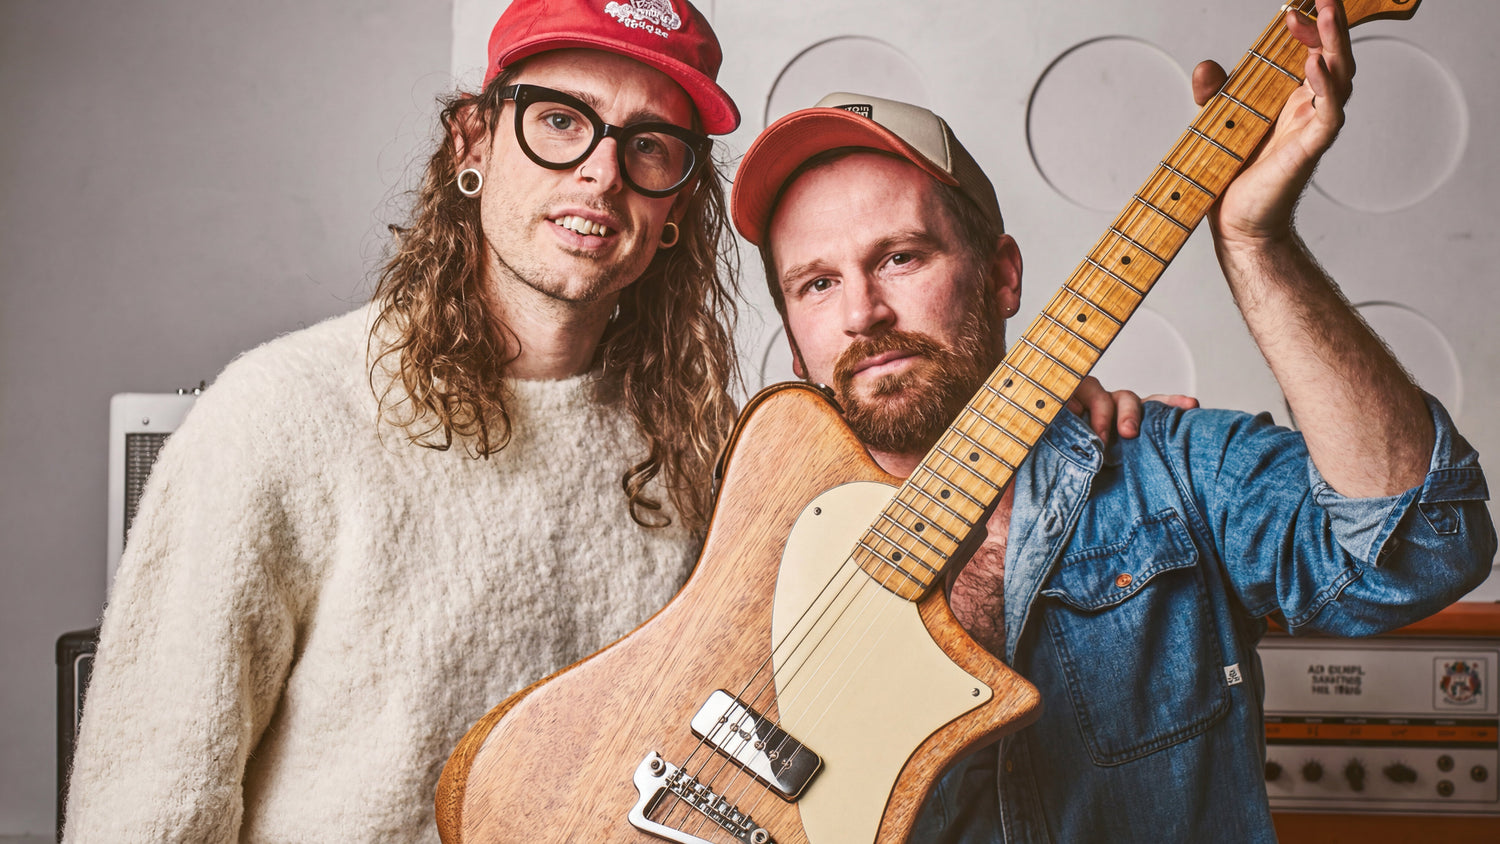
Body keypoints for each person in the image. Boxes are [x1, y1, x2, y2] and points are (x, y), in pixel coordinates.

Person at [61, 1, 1152, 841]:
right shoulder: (276, 420)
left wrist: (1037, 405)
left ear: (676, 204)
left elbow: (887, 489)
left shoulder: (714, 446)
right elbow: (146, 812)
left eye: (649, 145)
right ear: (471, 141)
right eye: (559, 121)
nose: (599, 172)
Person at [728, 1, 1496, 841]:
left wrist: (1256, 243)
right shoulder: (742, 532)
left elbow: (1424, 550)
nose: (862, 314)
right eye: (817, 284)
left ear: (1003, 277)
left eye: (901, 257)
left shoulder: (1171, 471)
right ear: (793, 339)